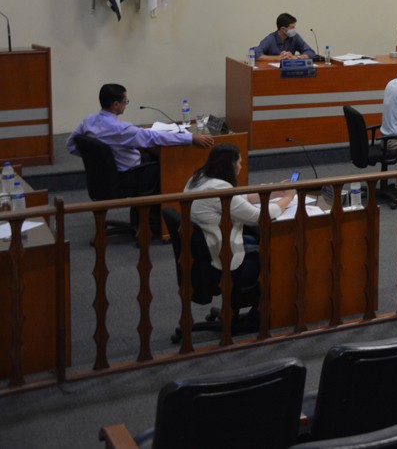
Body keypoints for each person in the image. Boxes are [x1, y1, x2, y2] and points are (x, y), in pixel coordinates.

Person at [184, 144, 296, 306]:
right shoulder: (219, 188)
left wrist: (273, 193)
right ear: (231, 164)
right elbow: (259, 217)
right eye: (240, 162)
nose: (241, 167)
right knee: (278, 258)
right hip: (222, 258)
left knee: (257, 241)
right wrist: (287, 199)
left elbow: (237, 199)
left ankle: (243, 310)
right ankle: (258, 314)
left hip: (206, 249)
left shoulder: (199, 178)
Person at [67, 83, 215, 197]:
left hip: (102, 175)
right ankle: (153, 218)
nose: (126, 104)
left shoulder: (88, 120)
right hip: (129, 174)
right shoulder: (121, 129)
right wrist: (191, 138)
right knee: (168, 166)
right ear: (116, 104)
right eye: (125, 101)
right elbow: (154, 137)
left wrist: (98, 159)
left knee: (151, 157)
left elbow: (71, 145)